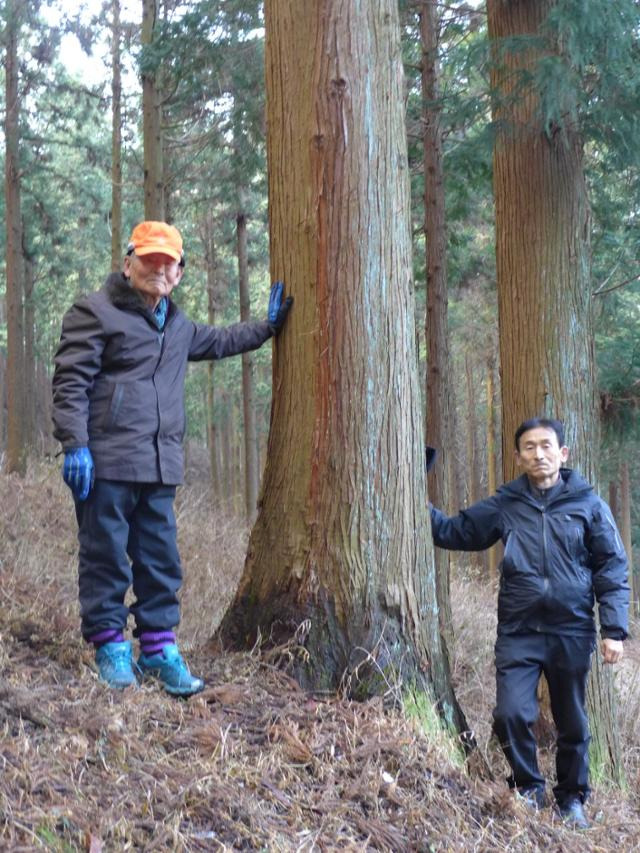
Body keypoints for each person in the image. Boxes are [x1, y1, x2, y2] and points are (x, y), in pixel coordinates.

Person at [52, 221, 292, 696]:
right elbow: (70, 381)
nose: (158, 269)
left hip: (160, 467)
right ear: (128, 263)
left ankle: (159, 651)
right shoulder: (94, 312)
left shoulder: (178, 326)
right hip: (108, 463)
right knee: (105, 556)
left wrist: (266, 328)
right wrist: (75, 444)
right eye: (149, 259)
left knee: (160, 561)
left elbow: (222, 340)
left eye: (168, 263)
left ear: (179, 274)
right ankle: (110, 648)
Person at [430, 417, 629, 829]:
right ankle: (528, 789)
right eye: (529, 448)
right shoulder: (507, 503)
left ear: (563, 453)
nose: (538, 454)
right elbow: (455, 532)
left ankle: (572, 799)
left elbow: (611, 566)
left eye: (546, 446)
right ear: (519, 456)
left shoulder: (588, 504)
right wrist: (411, 485)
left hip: (571, 630)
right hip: (518, 631)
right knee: (509, 714)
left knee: (571, 719)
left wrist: (613, 630)